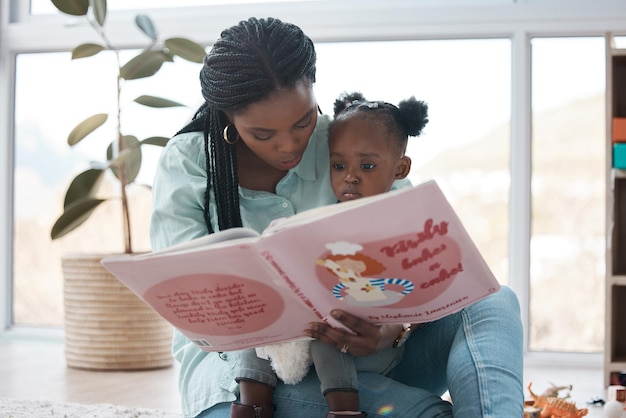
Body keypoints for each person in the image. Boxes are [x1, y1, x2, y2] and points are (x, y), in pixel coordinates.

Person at [149, 16, 525, 418]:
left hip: (377, 362)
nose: (289, 145)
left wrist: (388, 332)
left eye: (303, 121)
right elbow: (190, 303)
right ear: (228, 117)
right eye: (262, 134)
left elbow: (418, 272)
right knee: (428, 414)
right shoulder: (191, 163)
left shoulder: (351, 144)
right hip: (247, 382)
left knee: (495, 300)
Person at [235, 92, 429, 418]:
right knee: (261, 335)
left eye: (367, 166)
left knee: (330, 337)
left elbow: (416, 291)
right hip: (311, 330)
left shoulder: (400, 225)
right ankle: (251, 410)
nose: (350, 176)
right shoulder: (325, 217)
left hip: (369, 343)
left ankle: (343, 412)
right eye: (339, 165)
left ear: (400, 168)